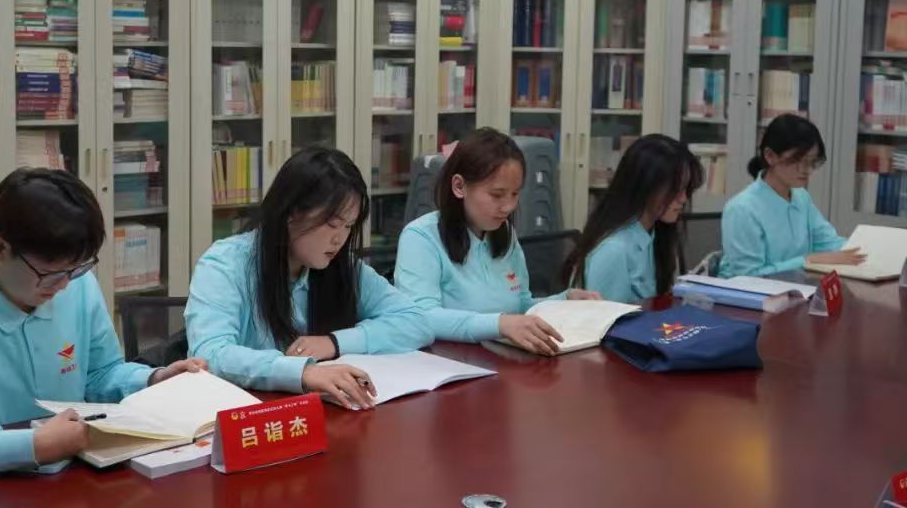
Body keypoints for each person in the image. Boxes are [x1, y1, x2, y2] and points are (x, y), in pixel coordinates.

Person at [0, 168, 207, 479]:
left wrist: (153, 379)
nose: (64, 285)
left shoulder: (76, 283)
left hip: (73, 474)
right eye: (50, 274)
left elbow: (99, 373)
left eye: (75, 269)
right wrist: (32, 446)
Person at [185, 147, 432, 410]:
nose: (340, 239)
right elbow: (210, 353)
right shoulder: (225, 264)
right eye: (332, 224)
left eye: (349, 226)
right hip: (243, 417)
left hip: (321, 414)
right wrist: (302, 372)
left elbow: (417, 322)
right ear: (291, 212)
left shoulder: (342, 266)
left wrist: (334, 343)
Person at [394, 128, 600, 355]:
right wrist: (499, 324)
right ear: (459, 186)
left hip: (502, 361)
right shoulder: (421, 237)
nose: (508, 207)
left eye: (515, 194)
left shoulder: (504, 233)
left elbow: (521, 306)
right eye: (497, 195)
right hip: (447, 365)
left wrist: (564, 301)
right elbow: (422, 316)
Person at [564, 134, 703, 303]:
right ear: (646, 187)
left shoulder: (654, 235)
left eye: (686, 189)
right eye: (676, 189)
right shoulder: (614, 250)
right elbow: (607, 318)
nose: (683, 199)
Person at [719, 114, 862, 278]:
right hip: (745, 292)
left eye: (811, 162)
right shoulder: (742, 209)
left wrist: (868, 251)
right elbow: (748, 276)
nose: (806, 170)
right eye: (797, 161)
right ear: (770, 156)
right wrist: (808, 260)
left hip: (793, 287)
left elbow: (827, 242)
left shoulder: (801, 197)